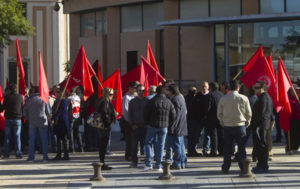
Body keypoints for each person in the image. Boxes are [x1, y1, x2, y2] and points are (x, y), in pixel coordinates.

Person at [217, 80, 252, 174]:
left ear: (228, 88)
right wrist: (247, 122)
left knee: (227, 148)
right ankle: (243, 167)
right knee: (241, 148)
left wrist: (222, 122)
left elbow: (219, 113)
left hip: (227, 126)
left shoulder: (223, 98)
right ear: (238, 87)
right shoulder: (244, 98)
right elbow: (249, 113)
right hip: (240, 125)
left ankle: (226, 167)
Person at [143, 86, 176, 171]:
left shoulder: (151, 101)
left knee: (148, 144)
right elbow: (173, 115)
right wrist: (168, 124)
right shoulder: (168, 102)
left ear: (156, 92)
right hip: (163, 127)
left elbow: (145, 113)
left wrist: (146, 123)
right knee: (161, 146)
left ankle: (148, 164)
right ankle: (158, 165)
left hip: (152, 125)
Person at [23, 87, 51, 162]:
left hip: (32, 120)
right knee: (44, 139)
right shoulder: (43, 99)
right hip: (42, 120)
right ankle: (45, 157)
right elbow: (48, 111)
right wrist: (49, 118)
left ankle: (31, 157)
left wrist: (28, 118)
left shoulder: (29, 100)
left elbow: (24, 112)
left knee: (31, 139)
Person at [251, 81, 273, 173]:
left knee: (262, 145)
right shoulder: (263, 97)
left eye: (257, 88)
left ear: (262, 88)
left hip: (261, 125)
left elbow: (261, 113)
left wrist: (256, 124)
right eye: (255, 88)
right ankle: (261, 164)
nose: (255, 90)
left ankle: (263, 165)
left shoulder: (264, 98)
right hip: (262, 125)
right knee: (261, 145)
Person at [165, 84, 188, 169]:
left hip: (176, 127)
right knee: (181, 146)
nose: (166, 92)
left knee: (177, 146)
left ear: (171, 91)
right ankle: (183, 162)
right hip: (181, 126)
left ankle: (177, 163)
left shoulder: (174, 100)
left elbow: (175, 115)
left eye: (167, 90)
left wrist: (171, 126)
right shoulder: (180, 98)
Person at [95, 88, 116, 170]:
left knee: (103, 145)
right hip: (104, 127)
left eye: (112, 94)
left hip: (103, 126)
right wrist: (108, 123)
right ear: (106, 94)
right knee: (103, 145)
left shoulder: (104, 102)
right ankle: (102, 163)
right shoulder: (104, 103)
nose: (112, 96)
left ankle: (102, 162)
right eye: (110, 94)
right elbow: (105, 114)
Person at [128, 84, 149, 167]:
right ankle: (134, 161)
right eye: (140, 90)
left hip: (145, 127)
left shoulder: (147, 101)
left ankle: (148, 161)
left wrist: (148, 124)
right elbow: (130, 114)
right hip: (136, 127)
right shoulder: (132, 101)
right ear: (136, 91)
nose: (141, 92)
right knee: (134, 146)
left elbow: (150, 113)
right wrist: (132, 124)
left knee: (147, 145)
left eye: (143, 90)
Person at [1, 84, 24, 159]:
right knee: (17, 136)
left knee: (7, 137)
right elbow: (21, 107)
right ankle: (18, 153)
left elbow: (2, 108)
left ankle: (6, 154)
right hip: (17, 119)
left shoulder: (7, 97)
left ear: (10, 90)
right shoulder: (20, 97)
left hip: (8, 118)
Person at [121, 82, 138, 161]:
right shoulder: (126, 97)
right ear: (130, 88)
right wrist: (130, 122)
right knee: (129, 139)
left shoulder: (136, 96)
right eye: (134, 88)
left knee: (135, 139)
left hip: (136, 121)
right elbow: (125, 111)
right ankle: (128, 155)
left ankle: (134, 154)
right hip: (128, 122)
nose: (135, 90)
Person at [52, 88, 70, 160]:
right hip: (58, 122)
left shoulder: (64, 101)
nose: (57, 93)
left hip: (62, 121)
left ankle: (66, 154)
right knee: (58, 138)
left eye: (59, 92)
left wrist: (54, 117)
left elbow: (60, 111)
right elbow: (54, 109)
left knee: (64, 138)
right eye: (56, 92)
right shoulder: (57, 101)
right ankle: (58, 154)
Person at [207, 82, 223, 156]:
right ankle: (221, 150)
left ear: (211, 87)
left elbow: (208, 108)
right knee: (220, 135)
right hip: (221, 118)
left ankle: (213, 151)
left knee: (213, 136)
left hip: (212, 118)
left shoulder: (210, 95)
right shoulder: (221, 95)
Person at [185, 87, 201, 157]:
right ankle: (191, 151)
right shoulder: (193, 99)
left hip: (193, 119)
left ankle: (192, 150)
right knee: (192, 137)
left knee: (193, 137)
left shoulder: (187, 98)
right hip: (192, 119)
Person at [196, 81, 210, 156]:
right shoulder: (198, 95)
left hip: (207, 119)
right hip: (199, 118)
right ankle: (195, 148)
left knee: (207, 135)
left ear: (208, 87)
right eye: (202, 86)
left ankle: (205, 149)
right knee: (197, 134)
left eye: (205, 86)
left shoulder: (210, 95)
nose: (204, 87)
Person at [67, 87, 83, 152]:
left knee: (71, 132)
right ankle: (81, 147)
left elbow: (67, 108)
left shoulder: (69, 98)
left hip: (71, 116)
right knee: (77, 131)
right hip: (77, 116)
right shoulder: (78, 97)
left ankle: (72, 148)